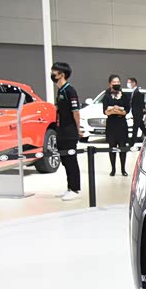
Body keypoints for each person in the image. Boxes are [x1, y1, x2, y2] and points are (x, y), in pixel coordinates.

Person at [51, 62, 82, 201]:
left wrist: (78, 129)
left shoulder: (70, 91)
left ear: (61, 74)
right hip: (61, 131)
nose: (52, 74)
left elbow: (76, 112)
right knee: (64, 161)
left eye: (54, 72)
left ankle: (75, 189)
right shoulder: (60, 91)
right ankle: (69, 187)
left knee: (71, 160)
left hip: (69, 132)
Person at [102, 74, 131, 176]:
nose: (116, 84)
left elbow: (126, 111)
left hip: (122, 124)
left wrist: (115, 110)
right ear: (110, 84)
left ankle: (123, 169)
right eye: (114, 82)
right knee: (112, 147)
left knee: (122, 147)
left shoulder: (125, 96)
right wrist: (115, 110)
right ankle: (113, 169)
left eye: (118, 82)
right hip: (111, 124)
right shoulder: (106, 96)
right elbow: (106, 112)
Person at [127, 77, 146, 145]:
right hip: (135, 113)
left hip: (137, 113)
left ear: (134, 83)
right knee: (142, 127)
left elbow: (140, 104)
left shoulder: (138, 93)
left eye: (129, 82)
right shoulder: (134, 92)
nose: (128, 84)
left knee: (135, 127)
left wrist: (140, 113)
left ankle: (132, 142)